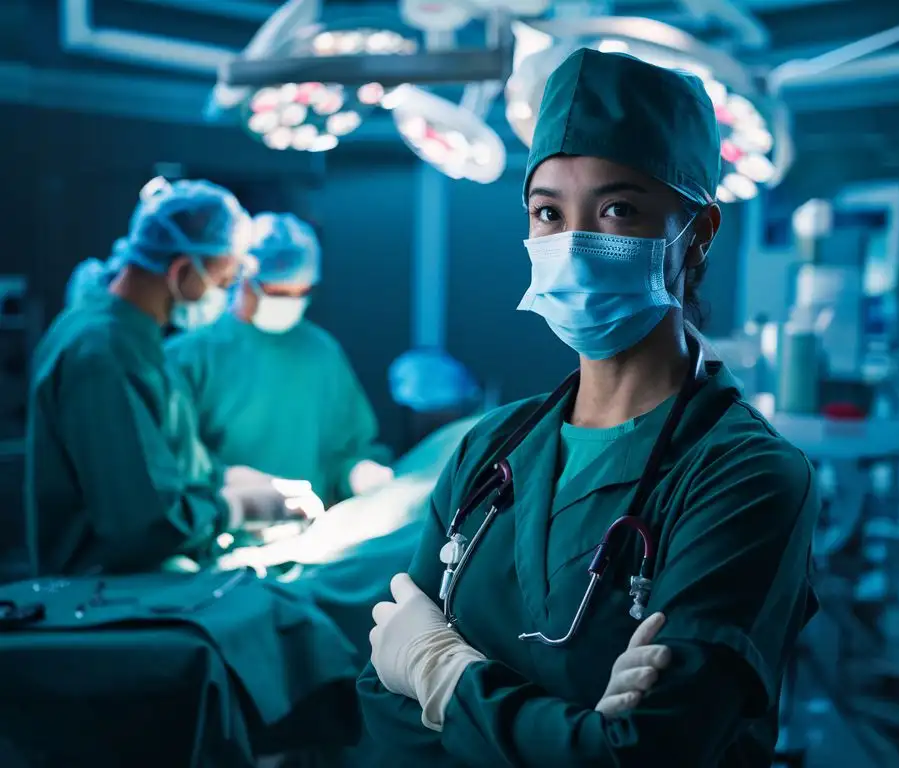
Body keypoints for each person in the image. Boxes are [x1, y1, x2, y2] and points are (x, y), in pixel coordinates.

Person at [354, 49, 820, 767]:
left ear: (697, 233)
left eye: (618, 208)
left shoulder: (745, 478)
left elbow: (643, 755)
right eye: (548, 211)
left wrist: (442, 674)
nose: (572, 243)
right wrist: (569, 730)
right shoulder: (489, 450)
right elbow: (381, 706)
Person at [26, 178, 303, 577]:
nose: (223, 294)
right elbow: (144, 522)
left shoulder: (133, 334)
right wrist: (239, 508)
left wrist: (232, 479)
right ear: (182, 270)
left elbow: (167, 459)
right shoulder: (102, 353)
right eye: (223, 281)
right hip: (104, 595)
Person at [165, 212, 393, 508]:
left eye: (302, 292)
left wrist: (357, 473)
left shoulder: (321, 352)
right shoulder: (189, 356)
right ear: (243, 278)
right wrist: (244, 501)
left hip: (305, 536)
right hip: (217, 533)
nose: (290, 302)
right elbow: (172, 463)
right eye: (278, 292)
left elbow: (347, 448)